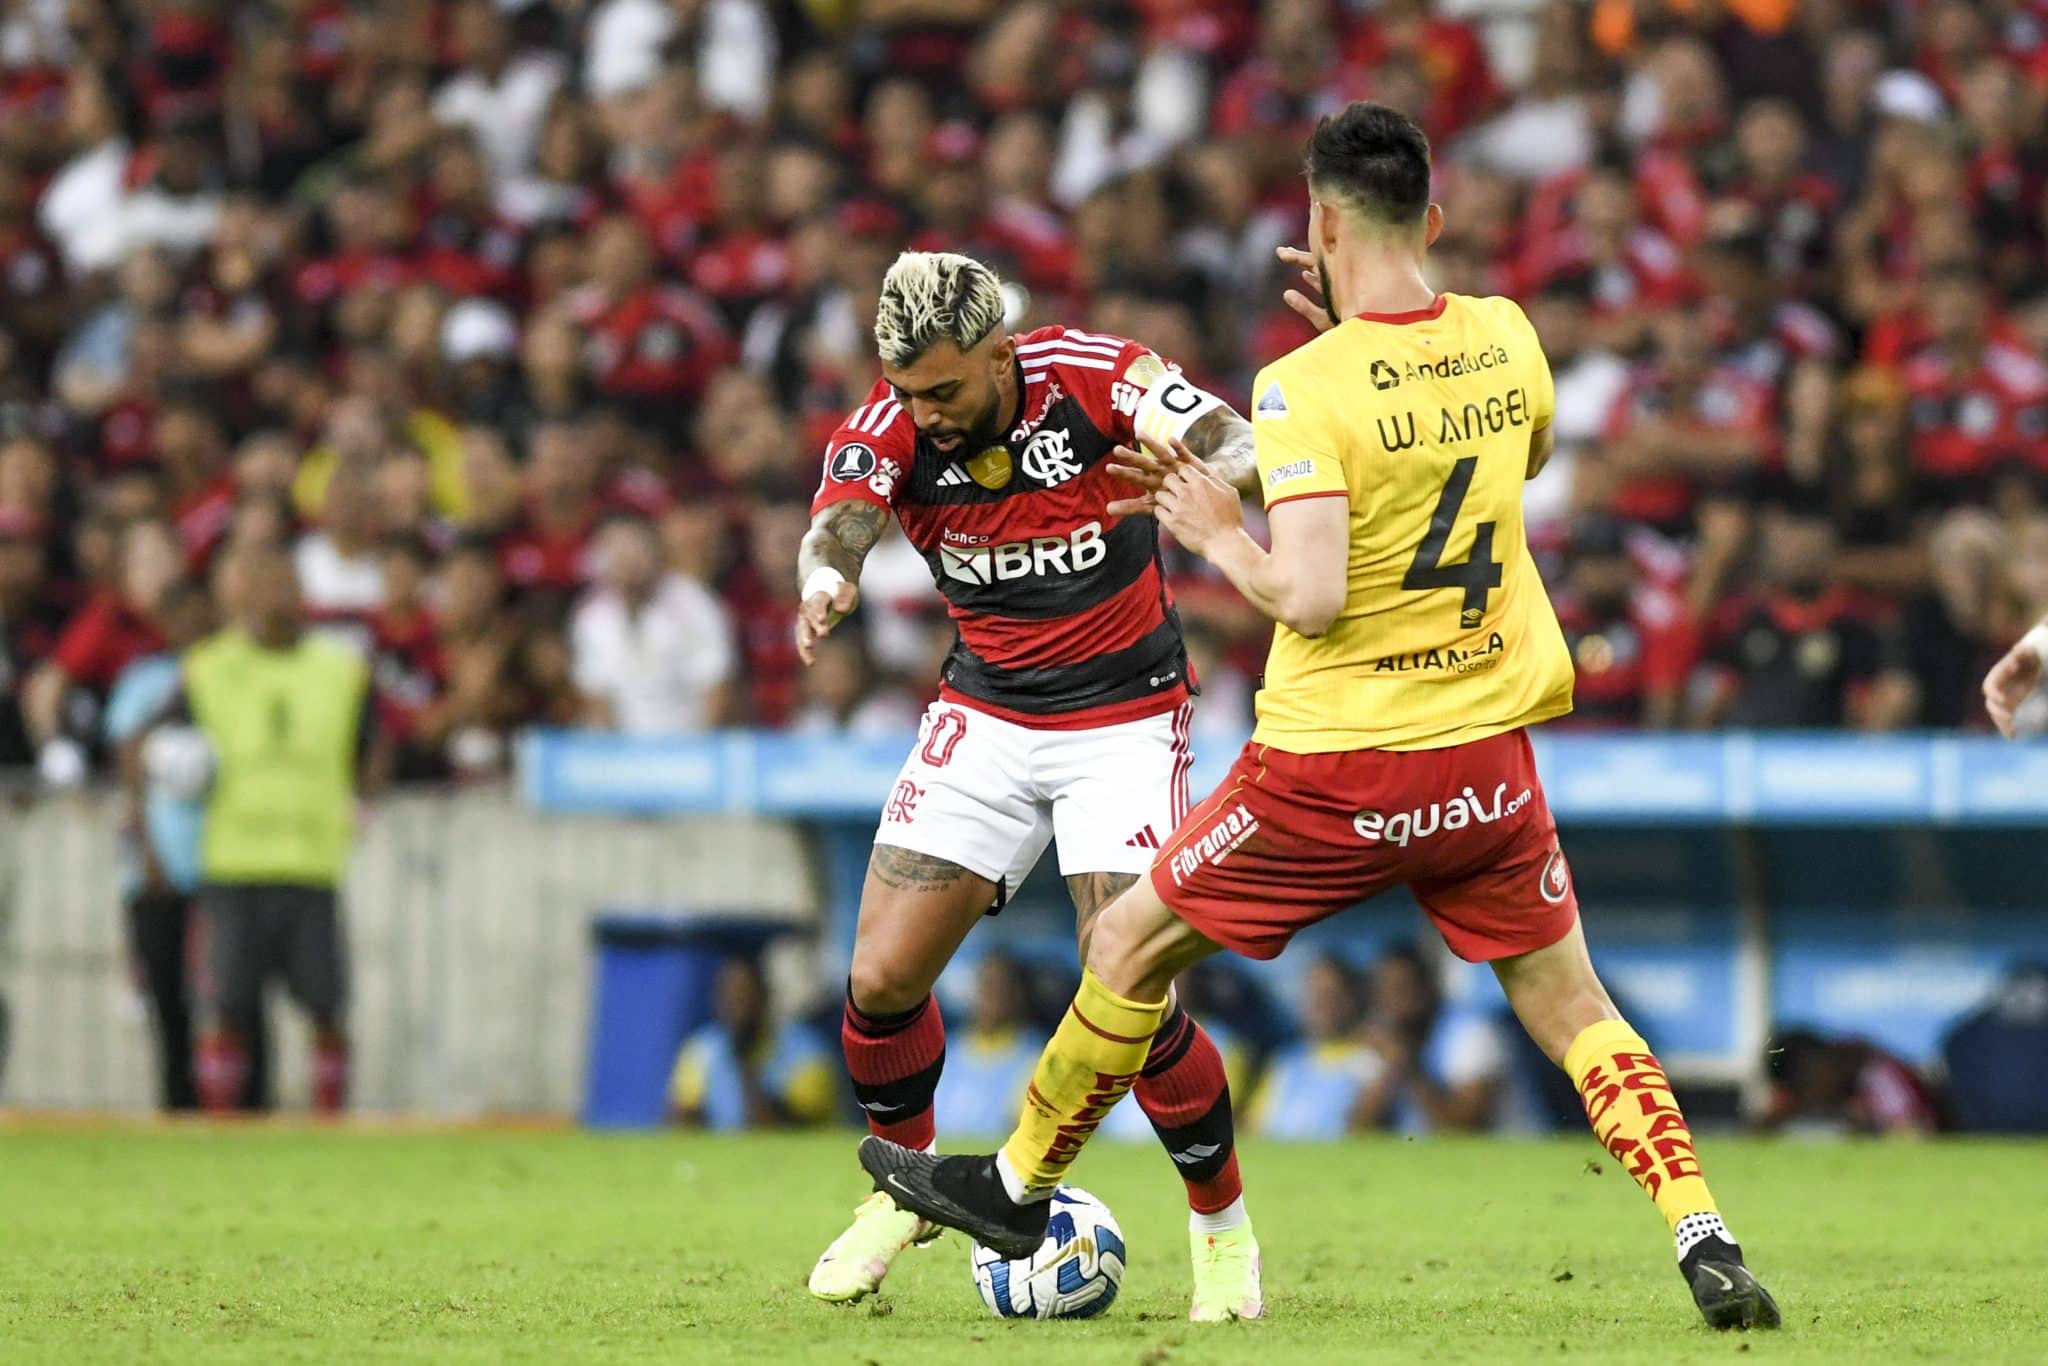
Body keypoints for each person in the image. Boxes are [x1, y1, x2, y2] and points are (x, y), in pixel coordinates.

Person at [860, 104, 1782, 1333]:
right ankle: (1702, 1234)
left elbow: (1309, 590)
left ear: (1319, 222)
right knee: (1575, 1008)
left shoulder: (1301, 385)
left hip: (1335, 770)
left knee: (1124, 948)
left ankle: (1018, 1184)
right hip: (1485, 762)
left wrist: (1214, 532)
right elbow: (1516, 455)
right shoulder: (1508, 338)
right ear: (1433, 222)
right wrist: (1381, 360)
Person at [795, 249, 1267, 1318]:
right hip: (989, 710)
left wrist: (1220, 470)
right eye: (907, 390)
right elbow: (841, 521)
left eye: (945, 389)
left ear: (1000, 351)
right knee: (877, 977)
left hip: (1125, 714)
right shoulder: (893, 425)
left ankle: (1220, 1229)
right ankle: (901, 1192)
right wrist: (826, 578)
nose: (925, 411)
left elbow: (1225, 436)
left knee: (1129, 984)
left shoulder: (1095, 374)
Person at [137, 542, 387, 1113]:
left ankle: (329, 1114)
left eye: (285, 585)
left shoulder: (341, 669)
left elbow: (378, 740)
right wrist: (153, 814)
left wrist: (365, 798)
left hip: (312, 858)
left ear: (303, 596)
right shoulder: (208, 668)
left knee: (326, 1003)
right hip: (234, 859)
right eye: (263, 585)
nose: (275, 597)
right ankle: (221, 1121)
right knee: (225, 1005)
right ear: (244, 596)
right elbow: (144, 743)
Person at [670, 957, 836, 1131]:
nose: (735, 1009)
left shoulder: (807, 1052)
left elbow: (782, 1133)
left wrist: (745, 1068)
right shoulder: (703, 1048)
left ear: (764, 997)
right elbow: (679, 1122)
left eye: (744, 997)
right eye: (727, 998)